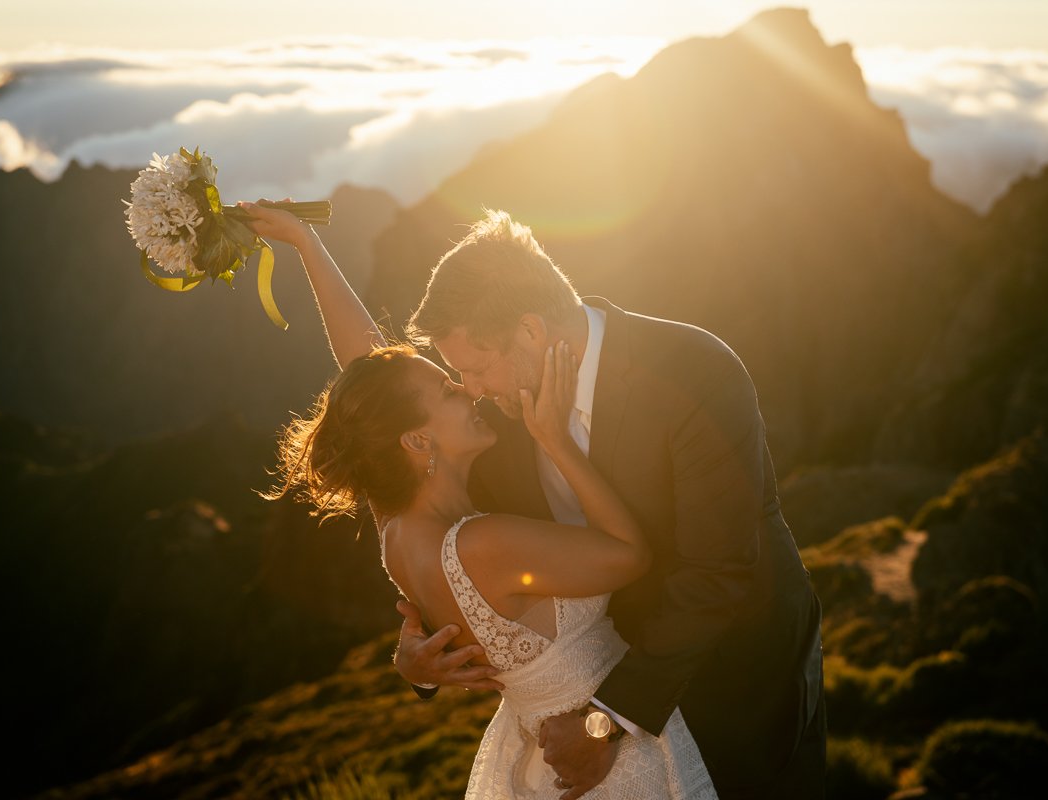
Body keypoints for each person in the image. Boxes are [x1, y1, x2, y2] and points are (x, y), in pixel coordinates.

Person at [244, 200, 719, 799]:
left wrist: (307, 247)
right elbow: (629, 556)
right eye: (448, 389)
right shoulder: (483, 542)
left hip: (533, 757)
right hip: (603, 763)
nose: (468, 390)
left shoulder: (396, 519)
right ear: (418, 438)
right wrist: (555, 441)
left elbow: (368, 372)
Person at [394, 210, 826, 798]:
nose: (468, 389)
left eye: (473, 367)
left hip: (737, 684)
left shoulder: (696, 372)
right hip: (590, 713)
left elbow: (717, 572)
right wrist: (418, 664)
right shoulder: (497, 418)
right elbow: (444, 535)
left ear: (529, 332)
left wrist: (604, 724)